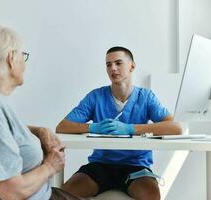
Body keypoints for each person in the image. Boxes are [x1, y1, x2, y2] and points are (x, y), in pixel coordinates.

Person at [0, 26, 86, 200]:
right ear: (11, 59)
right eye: (23, 56)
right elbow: (11, 192)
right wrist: (51, 166)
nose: (25, 63)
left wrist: (38, 131)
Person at [56, 46, 183, 200]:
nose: (113, 69)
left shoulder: (146, 97)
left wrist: (130, 128)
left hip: (135, 167)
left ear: (132, 66)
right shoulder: (96, 96)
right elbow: (62, 126)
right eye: (108, 65)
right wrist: (92, 127)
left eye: (118, 63)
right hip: (101, 165)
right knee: (64, 194)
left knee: (151, 196)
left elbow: (176, 128)